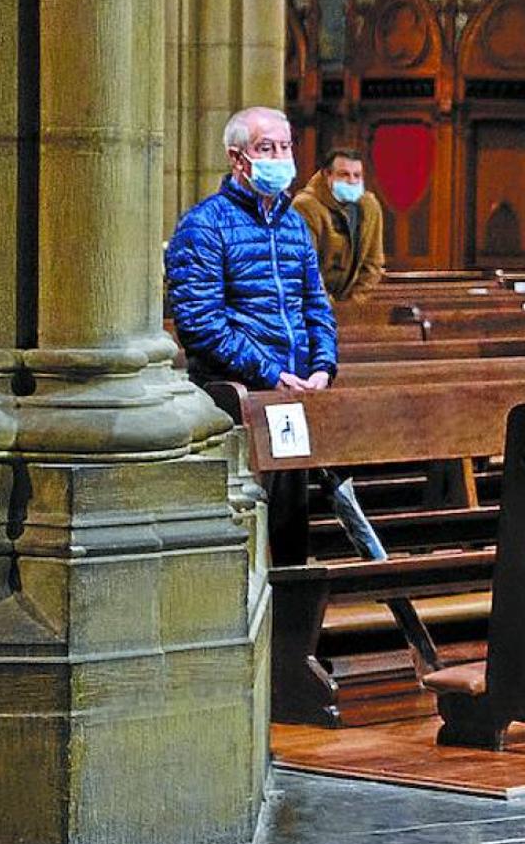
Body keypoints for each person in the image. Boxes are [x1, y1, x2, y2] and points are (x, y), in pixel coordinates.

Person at [165, 106, 385, 562]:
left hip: (293, 395)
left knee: (289, 534)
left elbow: (316, 305)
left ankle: (291, 623)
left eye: (285, 147)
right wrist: (271, 373)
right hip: (235, 397)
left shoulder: (291, 224)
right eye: (267, 148)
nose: (280, 157)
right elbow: (202, 325)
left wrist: (323, 366)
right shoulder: (204, 225)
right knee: (245, 535)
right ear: (237, 158)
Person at [292, 147, 386, 303]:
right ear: (327, 175)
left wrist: (355, 301)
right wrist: (327, 305)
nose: (352, 181)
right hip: (311, 303)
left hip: (351, 302)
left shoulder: (369, 205)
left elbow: (373, 262)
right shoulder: (305, 206)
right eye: (344, 175)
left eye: (357, 176)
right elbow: (305, 266)